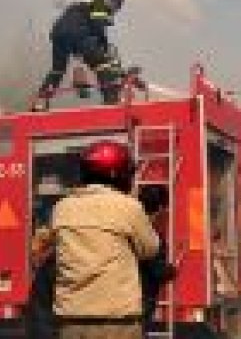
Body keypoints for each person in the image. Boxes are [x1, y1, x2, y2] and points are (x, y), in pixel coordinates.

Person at [51, 140, 160, 339]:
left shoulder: (62, 207)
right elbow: (149, 250)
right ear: (116, 174)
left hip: (71, 320)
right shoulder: (128, 207)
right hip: (116, 322)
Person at [35, 0, 126, 109]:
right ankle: (111, 101)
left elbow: (82, 28)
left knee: (57, 70)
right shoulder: (99, 2)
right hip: (77, 33)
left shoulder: (85, 4)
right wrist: (106, 49)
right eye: (116, 8)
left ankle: (40, 102)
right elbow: (98, 28)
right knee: (103, 63)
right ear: (112, 1)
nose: (114, 12)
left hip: (59, 35)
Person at [136, 185, 178, 335]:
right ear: (160, 208)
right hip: (142, 299)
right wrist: (173, 270)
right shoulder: (150, 236)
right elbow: (158, 272)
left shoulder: (126, 228)